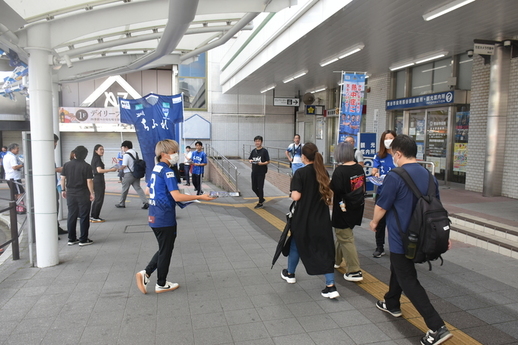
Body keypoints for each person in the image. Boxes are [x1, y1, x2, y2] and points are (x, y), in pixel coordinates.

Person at [369, 135, 453, 345]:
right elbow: (438, 208)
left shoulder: (395, 176)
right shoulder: (429, 176)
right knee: (400, 268)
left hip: (402, 239)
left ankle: (437, 327)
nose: (393, 159)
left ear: (398, 154)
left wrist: (374, 223)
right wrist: (445, 237)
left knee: (408, 279)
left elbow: (381, 205)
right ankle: (392, 302)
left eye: (393, 155)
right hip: (425, 236)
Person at [135, 139, 216, 294]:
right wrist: (201, 197)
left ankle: (147, 274)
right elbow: (177, 197)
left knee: (164, 248)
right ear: (164, 154)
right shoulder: (168, 171)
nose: (176, 155)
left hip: (153, 216)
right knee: (166, 250)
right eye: (173, 152)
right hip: (165, 217)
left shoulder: (156, 169)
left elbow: (147, 191)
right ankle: (160, 282)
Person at [281, 142, 339, 299]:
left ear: (304, 157)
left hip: (303, 218)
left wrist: (292, 191)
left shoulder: (300, 173)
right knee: (325, 248)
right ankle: (330, 285)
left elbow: (296, 196)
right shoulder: (323, 171)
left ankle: (290, 274)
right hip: (321, 218)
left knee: (296, 245)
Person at [331, 142, 365, 282]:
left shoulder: (340, 171)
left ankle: (354, 270)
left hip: (342, 208)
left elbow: (334, 189)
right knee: (343, 234)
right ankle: (336, 260)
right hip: (356, 206)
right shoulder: (359, 168)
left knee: (346, 238)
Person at [60, 146, 95, 246]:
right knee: (84, 216)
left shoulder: (67, 165)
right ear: (85, 155)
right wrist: (92, 193)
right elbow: (89, 181)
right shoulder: (87, 166)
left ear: (74, 154)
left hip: (70, 193)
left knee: (71, 215)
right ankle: (83, 239)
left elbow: (62, 178)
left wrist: (63, 190)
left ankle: (71, 239)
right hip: (83, 193)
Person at [371, 129, 397, 258]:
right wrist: (375, 173)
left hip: (397, 194)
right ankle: (379, 247)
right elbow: (374, 170)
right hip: (382, 192)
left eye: (391, 138)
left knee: (396, 221)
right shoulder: (379, 156)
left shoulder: (399, 155)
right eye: (386, 138)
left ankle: (397, 248)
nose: (389, 141)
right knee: (380, 222)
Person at [115, 140, 149, 209]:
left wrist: (118, 169)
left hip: (128, 174)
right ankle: (146, 202)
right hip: (136, 173)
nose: (122, 149)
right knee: (138, 188)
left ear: (126, 147)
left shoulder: (126, 155)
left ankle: (122, 203)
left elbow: (124, 165)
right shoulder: (135, 153)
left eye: (122, 147)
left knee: (124, 189)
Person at [90, 144, 117, 222]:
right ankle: (95, 216)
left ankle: (93, 216)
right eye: (100, 149)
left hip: (97, 179)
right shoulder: (97, 159)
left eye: (103, 149)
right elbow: (99, 170)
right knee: (99, 198)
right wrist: (110, 170)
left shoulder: (95, 158)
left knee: (98, 198)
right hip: (98, 180)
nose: (102, 151)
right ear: (96, 151)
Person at [248, 135, 270, 209]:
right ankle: (261, 198)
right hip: (254, 171)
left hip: (261, 172)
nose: (257, 142)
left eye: (258, 141)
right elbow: (250, 158)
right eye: (256, 141)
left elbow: (268, 161)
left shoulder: (264, 151)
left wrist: (262, 163)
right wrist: (250, 160)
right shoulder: (253, 151)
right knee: (254, 187)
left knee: (260, 187)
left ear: (261, 142)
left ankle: (260, 202)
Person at [4, 143, 25, 214]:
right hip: (14, 178)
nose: (18, 150)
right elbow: (14, 167)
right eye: (17, 149)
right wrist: (22, 165)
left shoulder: (6, 156)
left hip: (9, 177)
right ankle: (20, 208)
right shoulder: (12, 157)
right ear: (12, 149)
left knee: (15, 193)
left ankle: (15, 208)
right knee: (20, 193)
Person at [54, 135, 68, 236]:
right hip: (47, 188)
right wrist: (65, 168)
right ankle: (52, 231)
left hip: (52, 185)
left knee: (55, 206)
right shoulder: (43, 153)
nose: (56, 144)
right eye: (55, 142)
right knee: (52, 208)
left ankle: (56, 227)